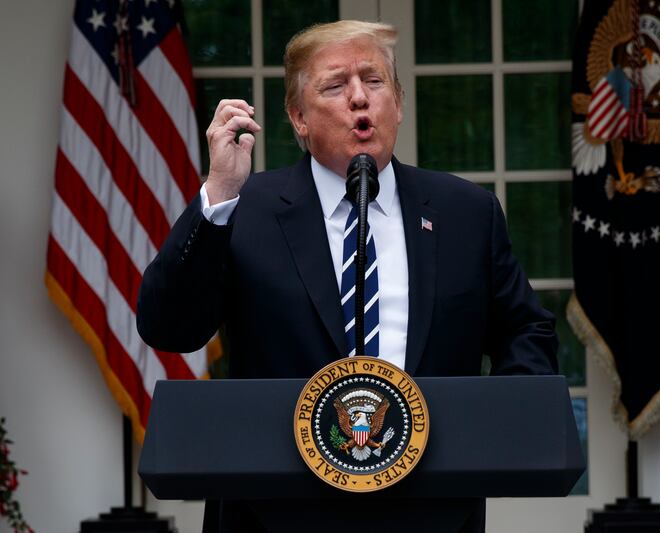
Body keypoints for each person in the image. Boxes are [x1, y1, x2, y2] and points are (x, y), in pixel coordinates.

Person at [137, 19, 558, 533]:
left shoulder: (465, 212)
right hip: (275, 514)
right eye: (335, 86)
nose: (360, 97)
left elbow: (525, 331)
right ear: (298, 117)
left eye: (374, 81)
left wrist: (498, 420)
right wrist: (219, 192)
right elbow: (168, 327)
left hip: (431, 512)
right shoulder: (245, 209)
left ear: (397, 103)